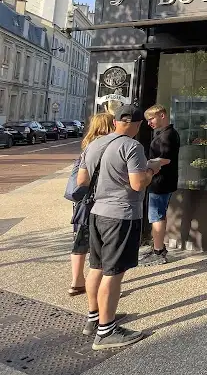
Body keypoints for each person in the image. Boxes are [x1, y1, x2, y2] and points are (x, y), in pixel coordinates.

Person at [76, 104, 166, 351]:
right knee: (113, 273)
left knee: (96, 267)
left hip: (97, 213)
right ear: (137, 125)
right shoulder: (132, 146)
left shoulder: (95, 144)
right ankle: (106, 331)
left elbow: (82, 180)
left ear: (115, 122)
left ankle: (94, 318)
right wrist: (151, 169)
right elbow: (138, 183)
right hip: (121, 215)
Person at [68, 112, 115, 297]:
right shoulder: (108, 146)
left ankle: (77, 281)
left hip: (82, 202)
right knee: (102, 245)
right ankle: (101, 287)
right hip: (99, 202)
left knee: (79, 242)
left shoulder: (87, 145)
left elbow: (80, 180)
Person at [139, 104, 181, 266]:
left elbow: (166, 159)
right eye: (147, 120)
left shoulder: (167, 135)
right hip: (161, 180)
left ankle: (158, 252)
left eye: (151, 119)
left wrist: (145, 165)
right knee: (157, 215)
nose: (149, 123)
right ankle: (158, 247)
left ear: (162, 115)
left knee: (156, 215)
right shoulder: (166, 133)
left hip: (160, 181)